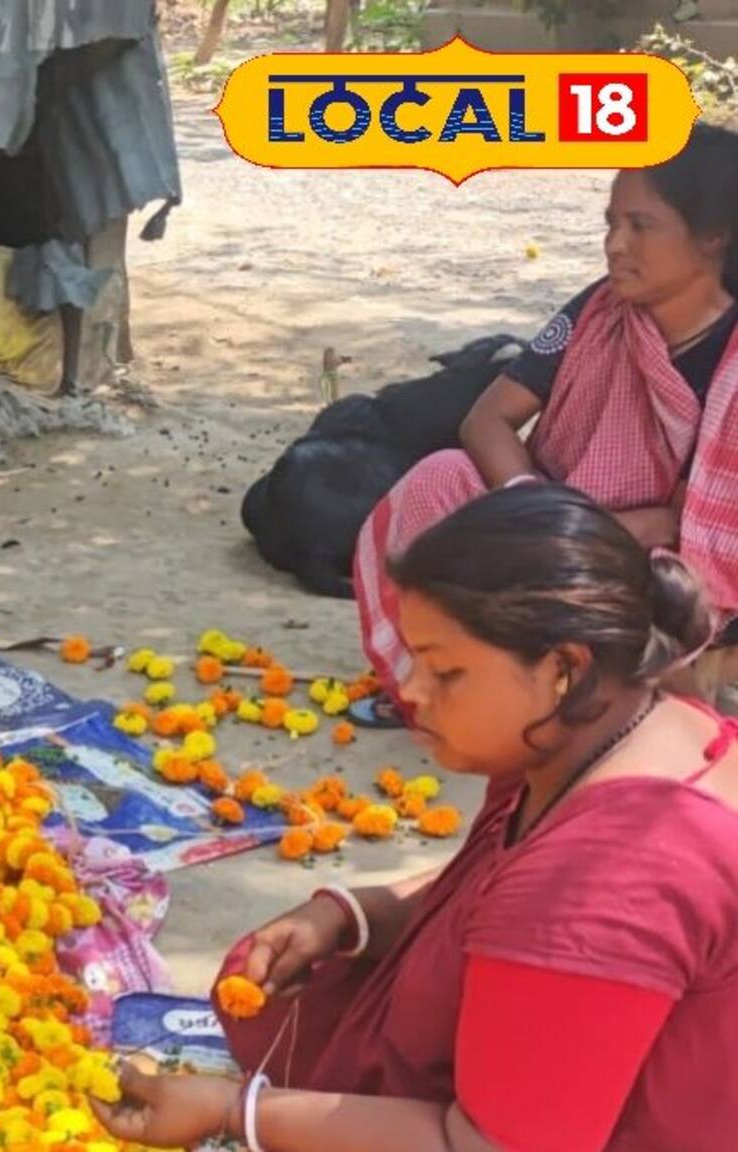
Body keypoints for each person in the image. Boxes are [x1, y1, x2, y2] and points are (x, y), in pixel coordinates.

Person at [97, 487, 738, 1151]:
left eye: (444, 670)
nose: (409, 689)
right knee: (286, 997)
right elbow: (501, 873)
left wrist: (236, 1112)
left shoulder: (608, 876)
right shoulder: (629, 725)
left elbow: (489, 1147)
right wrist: (354, 914)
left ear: (564, 670)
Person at [353, 124, 738, 726]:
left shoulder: (729, 358)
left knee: (668, 590)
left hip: (654, 555)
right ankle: (444, 689)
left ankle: (608, 711)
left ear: (713, 238)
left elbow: (694, 524)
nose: (616, 245)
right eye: (611, 224)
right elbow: (488, 422)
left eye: (641, 227)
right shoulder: (596, 310)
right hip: (551, 515)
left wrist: (579, 536)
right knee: (440, 480)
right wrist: (536, 511)